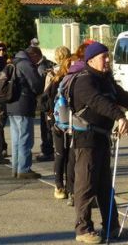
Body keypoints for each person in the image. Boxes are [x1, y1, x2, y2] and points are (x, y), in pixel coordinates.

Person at [71, 42, 128, 244]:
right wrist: (120, 117)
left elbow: (126, 98)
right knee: (86, 185)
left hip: (102, 137)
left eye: (108, 56)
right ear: (91, 60)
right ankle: (83, 229)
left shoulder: (105, 80)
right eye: (104, 57)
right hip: (86, 139)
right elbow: (97, 102)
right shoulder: (84, 81)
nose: (108, 60)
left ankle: (111, 227)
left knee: (105, 186)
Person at [40, 46, 72, 200]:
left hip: (56, 118)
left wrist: (48, 115)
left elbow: (45, 97)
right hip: (72, 119)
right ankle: (71, 186)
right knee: (71, 154)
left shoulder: (52, 74)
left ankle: (59, 187)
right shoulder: (72, 73)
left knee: (59, 153)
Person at [7, 50, 44, 179]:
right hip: (23, 104)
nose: (37, 62)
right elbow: (37, 85)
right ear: (32, 55)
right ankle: (24, 169)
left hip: (11, 105)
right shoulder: (25, 64)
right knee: (25, 139)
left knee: (16, 139)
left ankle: (16, 168)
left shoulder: (13, 62)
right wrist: (42, 76)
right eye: (37, 59)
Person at [27, 45, 56, 162]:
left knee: (46, 127)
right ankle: (47, 149)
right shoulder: (48, 64)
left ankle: (47, 151)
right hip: (49, 101)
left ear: (35, 55)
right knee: (47, 127)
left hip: (45, 101)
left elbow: (39, 86)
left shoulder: (41, 67)